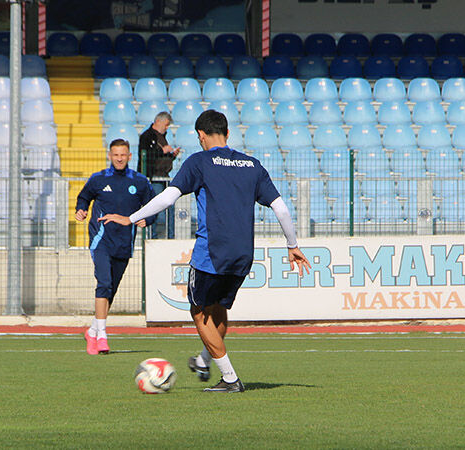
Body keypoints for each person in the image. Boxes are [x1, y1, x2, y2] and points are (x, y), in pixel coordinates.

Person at [101, 110, 311, 392]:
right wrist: (292, 245)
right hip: (243, 254)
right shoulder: (252, 165)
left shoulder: (200, 162)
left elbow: (168, 196)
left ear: (201, 135)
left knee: (199, 313)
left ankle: (230, 379)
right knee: (219, 309)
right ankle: (203, 361)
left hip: (212, 252)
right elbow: (281, 208)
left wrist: (130, 217)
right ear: (226, 133)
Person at [75, 139, 157, 355]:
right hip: (101, 240)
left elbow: (153, 206)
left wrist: (147, 220)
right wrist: (81, 209)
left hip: (124, 242)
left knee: (111, 288)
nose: (119, 158)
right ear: (110, 155)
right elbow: (84, 197)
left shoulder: (139, 181)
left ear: (130, 156)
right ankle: (102, 335)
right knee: (104, 282)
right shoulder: (99, 179)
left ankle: (93, 330)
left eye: (123, 154)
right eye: (116, 154)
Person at [139, 111, 180, 238]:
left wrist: (171, 155)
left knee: (169, 205)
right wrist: (162, 150)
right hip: (154, 177)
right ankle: (153, 235)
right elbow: (147, 155)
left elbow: (160, 157)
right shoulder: (147, 136)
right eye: (166, 125)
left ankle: (170, 235)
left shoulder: (162, 136)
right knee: (155, 206)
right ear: (158, 121)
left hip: (163, 176)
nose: (167, 128)